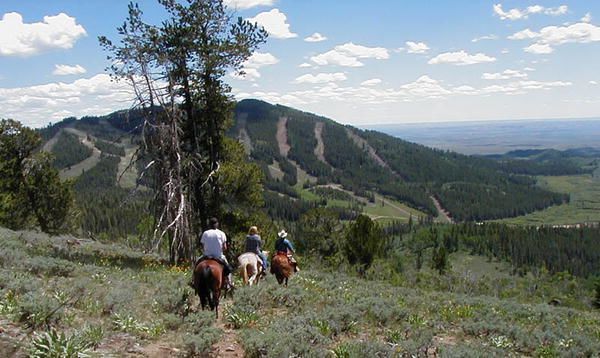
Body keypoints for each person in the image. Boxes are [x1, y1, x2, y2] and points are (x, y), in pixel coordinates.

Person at [199, 217, 234, 289]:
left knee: (197, 264)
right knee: (228, 269)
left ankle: (193, 281)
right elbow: (225, 247)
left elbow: (202, 245)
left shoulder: (205, 233)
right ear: (217, 224)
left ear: (209, 225)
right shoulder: (221, 233)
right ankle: (229, 283)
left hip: (206, 256)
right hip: (218, 256)